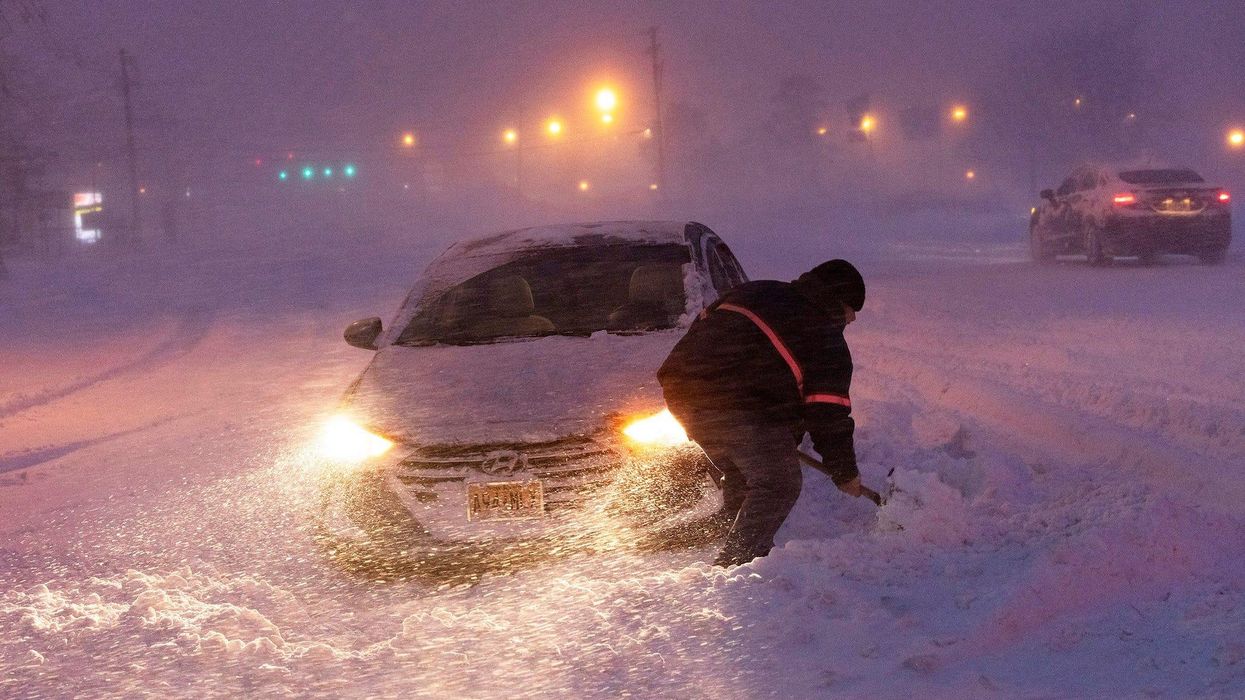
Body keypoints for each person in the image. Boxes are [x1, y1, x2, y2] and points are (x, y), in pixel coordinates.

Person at [657, 259, 866, 567]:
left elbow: (707, 330)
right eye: (853, 312)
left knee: (745, 471)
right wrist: (845, 473)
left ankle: (729, 530)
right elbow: (828, 415)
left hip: (681, 391)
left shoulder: (756, 290)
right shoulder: (824, 335)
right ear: (841, 302)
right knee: (779, 482)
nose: (852, 321)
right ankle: (736, 566)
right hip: (733, 403)